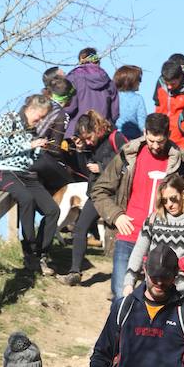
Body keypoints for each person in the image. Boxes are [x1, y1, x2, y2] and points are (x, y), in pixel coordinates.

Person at [92, 112, 184, 299]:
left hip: (166, 242)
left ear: (168, 134)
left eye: (160, 141)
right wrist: (116, 215)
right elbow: (99, 190)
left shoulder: (182, 163)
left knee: (164, 303)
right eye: (151, 141)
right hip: (129, 236)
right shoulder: (128, 155)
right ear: (144, 132)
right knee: (121, 296)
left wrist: (179, 217)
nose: (155, 146)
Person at [122, 172, 184, 316]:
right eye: (165, 200)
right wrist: (129, 283)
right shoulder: (153, 221)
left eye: (173, 199)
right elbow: (138, 252)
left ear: (183, 194)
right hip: (156, 289)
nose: (169, 204)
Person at [0, 94, 63, 276]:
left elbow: (29, 156)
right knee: (26, 199)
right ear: (32, 109)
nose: (41, 121)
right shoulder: (9, 120)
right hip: (4, 171)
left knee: (53, 210)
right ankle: (29, 250)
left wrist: (38, 149)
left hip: (26, 173)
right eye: (40, 116)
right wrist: (29, 144)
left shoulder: (31, 129)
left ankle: (41, 252)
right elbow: (0, 148)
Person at [59, 110, 127, 286]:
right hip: (97, 193)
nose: (89, 141)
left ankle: (128, 276)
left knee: (123, 235)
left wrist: (102, 167)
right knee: (80, 228)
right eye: (85, 139)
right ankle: (75, 271)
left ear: (96, 128)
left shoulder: (116, 138)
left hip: (117, 194)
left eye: (89, 137)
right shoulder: (90, 145)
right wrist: (81, 151)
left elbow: (128, 164)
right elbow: (85, 170)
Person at [32, 69, 77, 195]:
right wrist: (65, 165)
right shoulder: (61, 115)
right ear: (68, 99)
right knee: (72, 186)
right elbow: (54, 149)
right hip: (37, 157)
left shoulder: (39, 104)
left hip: (23, 153)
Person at [64, 47, 119, 139]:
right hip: (101, 134)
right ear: (98, 60)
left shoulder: (73, 78)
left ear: (81, 60)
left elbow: (69, 108)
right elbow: (114, 113)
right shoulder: (109, 82)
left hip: (77, 133)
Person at [113, 65, 147, 140]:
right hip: (132, 139)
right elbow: (142, 124)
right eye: (139, 79)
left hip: (114, 138)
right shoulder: (138, 99)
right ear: (130, 81)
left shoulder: (113, 96)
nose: (140, 82)